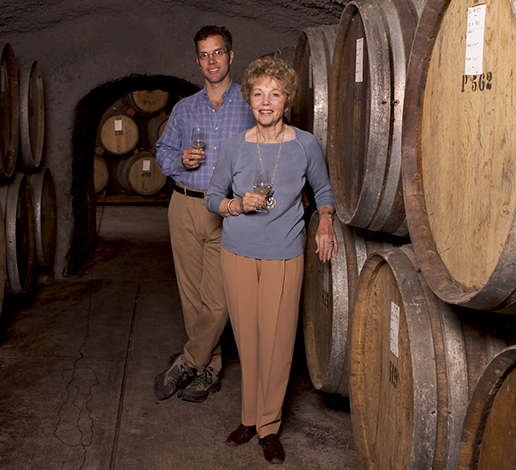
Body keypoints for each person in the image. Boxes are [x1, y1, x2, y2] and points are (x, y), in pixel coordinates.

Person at [205, 56, 337, 464]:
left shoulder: (304, 144)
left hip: (284, 254)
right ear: (249, 99)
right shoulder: (234, 145)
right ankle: (249, 417)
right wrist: (237, 204)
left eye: (274, 94)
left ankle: (268, 426)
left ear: (287, 100)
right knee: (248, 341)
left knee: (278, 343)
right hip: (238, 253)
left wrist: (325, 223)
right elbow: (212, 198)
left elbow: (324, 190)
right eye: (258, 94)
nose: (266, 102)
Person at [153, 25, 255, 403]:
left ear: (231, 56)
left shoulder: (250, 104)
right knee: (191, 296)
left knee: (219, 297)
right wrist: (178, 157)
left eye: (218, 53)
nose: (212, 60)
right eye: (204, 54)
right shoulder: (185, 108)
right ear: (197, 61)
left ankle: (188, 360)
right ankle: (209, 368)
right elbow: (162, 152)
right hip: (183, 203)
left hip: (228, 209)